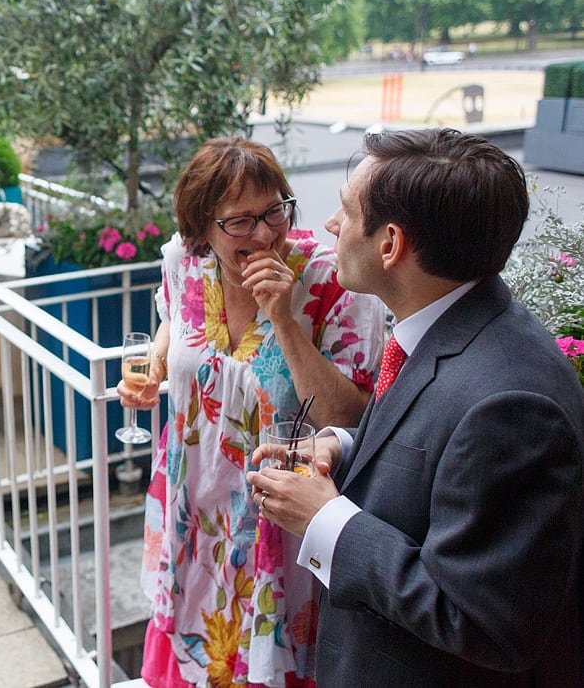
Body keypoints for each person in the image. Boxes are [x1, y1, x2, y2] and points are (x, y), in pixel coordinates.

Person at [248, 128, 584, 686]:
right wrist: (343, 445)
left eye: (347, 209)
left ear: (390, 245)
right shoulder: (441, 324)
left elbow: (485, 620)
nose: (331, 223)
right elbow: (435, 443)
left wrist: (326, 519)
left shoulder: (514, 404)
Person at [117, 137, 384, 687]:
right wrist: (158, 366)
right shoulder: (183, 260)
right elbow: (175, 317)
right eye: (240, 221)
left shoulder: (330, 278)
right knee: (196, 640)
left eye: (274, 212)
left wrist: (285, 321)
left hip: (277, 518)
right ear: (202, 229)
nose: (264, 233)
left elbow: (354, 416)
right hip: (193, 498)